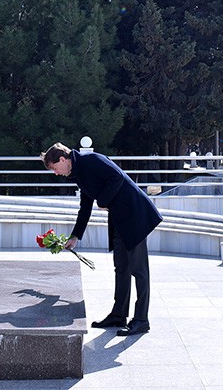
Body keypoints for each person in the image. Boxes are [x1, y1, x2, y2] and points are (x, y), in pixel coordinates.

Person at [41, 142, 163, 336]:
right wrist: (75, 236)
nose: (56, 173)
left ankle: (141, 320)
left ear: (62, 159)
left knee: (139, 270)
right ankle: (118, 315)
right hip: (120, 218)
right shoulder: (79, 173)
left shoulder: (91, 160)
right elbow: (85, 206)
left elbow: (117, 177)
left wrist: (103, 201)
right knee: (121, 268)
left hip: (135, 215)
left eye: (55, 168)